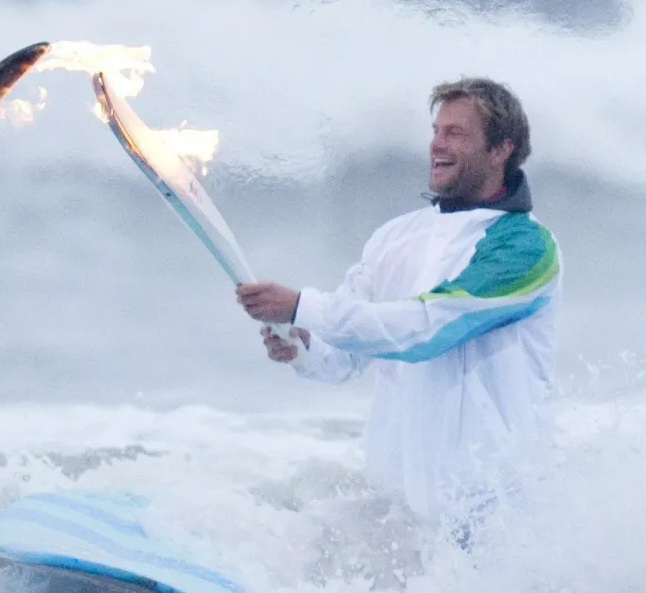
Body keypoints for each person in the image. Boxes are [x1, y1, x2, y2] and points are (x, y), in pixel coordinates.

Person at [236, 79, 561, 524]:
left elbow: (426, 330)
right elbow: (343, 359)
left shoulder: (526, 250)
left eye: (456, 134)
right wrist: (303, 345)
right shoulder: (395, 237)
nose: (436, 145)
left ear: (501, 149)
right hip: (400, 511)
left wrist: (301, 306)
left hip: (496, 515)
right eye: (435, 130)